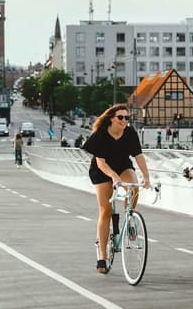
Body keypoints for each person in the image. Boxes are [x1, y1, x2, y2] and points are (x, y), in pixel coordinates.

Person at [82, 103, 151, 274]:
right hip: (102, 171)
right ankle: (102, 257)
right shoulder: (100, 135)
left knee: (133, 189)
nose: (124, 121)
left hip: (123, 166)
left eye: (127, 118)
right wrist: (113, 177)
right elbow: (101, 163)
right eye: (120, 117)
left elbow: (138, 156)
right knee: (105, 211)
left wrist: (146, 176)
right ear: (111, 118)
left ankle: (130, 218)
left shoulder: (129, 132)